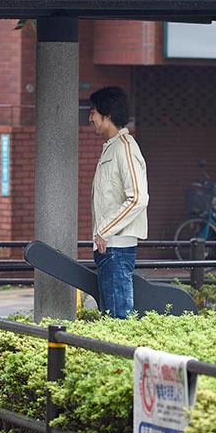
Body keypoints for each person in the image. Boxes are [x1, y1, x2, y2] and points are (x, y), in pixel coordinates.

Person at [88, 87, 149, 319]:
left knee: (118, 321)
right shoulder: (112, 147)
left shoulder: (125, 147)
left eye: (93, 112)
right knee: (111, 319)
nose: (90, 118)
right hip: (109, 247)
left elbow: (138, 197)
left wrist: (104, 231)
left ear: (108, 115)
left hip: (116, 247)